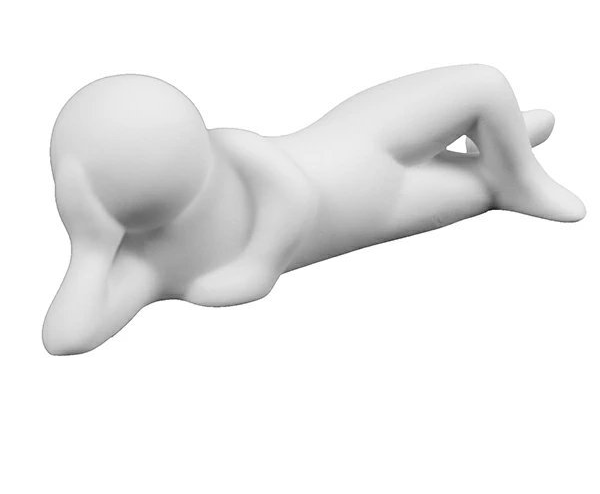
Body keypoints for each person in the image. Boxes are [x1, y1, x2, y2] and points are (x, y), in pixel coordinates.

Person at [43, 66, 585, 354]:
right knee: (485, 177)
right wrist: (89, 247)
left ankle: (518, 167)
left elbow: (294, 197)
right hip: (380, 205)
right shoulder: (149, 263)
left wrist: (257, 265)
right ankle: (504, 154)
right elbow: (65, 337)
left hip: (354, 139)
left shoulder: (225, 147)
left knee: (483, 84)